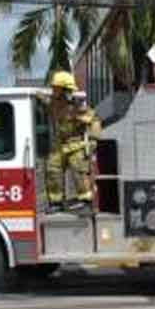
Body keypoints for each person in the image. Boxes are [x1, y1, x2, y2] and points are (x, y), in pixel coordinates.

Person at [43, 71, 101, 213]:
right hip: (59, 145)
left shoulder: (76, 106)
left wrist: (93, 139)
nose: (53, 90)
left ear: (63, 89)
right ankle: (55, 202)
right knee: (52, 169)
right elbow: (41, 99)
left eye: (56, 87)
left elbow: (94, 121)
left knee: (79, 171)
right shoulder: (52, 104)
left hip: (76, 145)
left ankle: (86, 201)